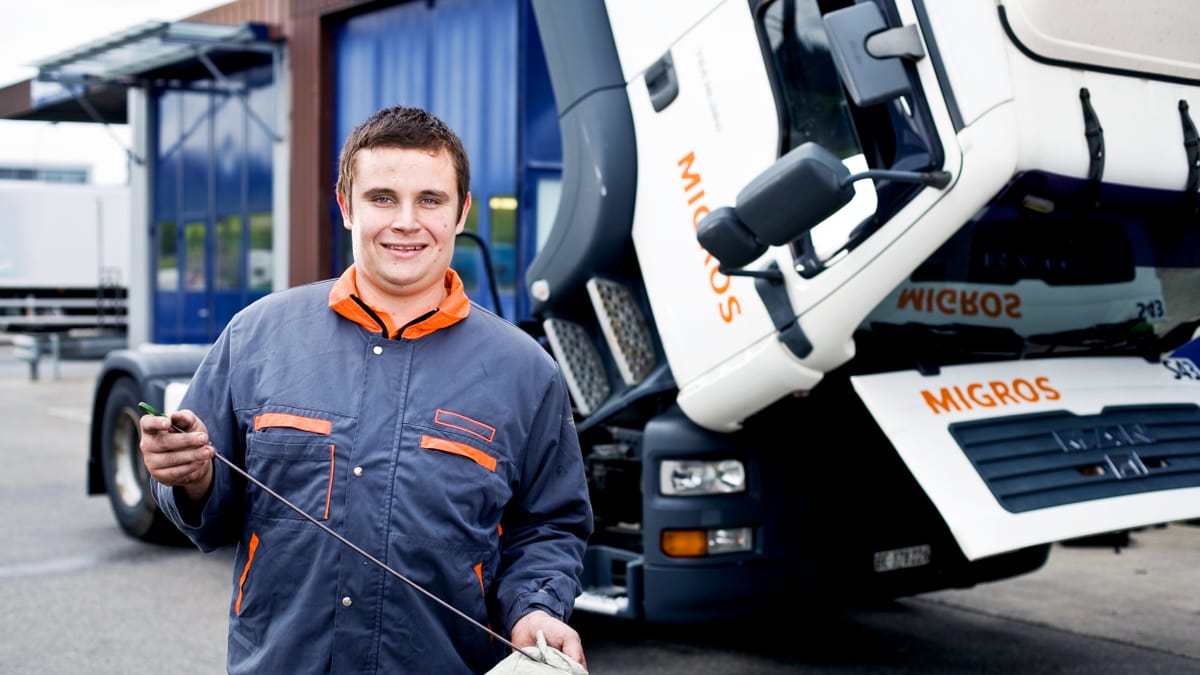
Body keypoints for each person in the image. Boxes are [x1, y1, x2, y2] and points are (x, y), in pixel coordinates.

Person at [140, 104, 593, 674]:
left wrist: (536, 608)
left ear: (461, 213)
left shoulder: (525, 371)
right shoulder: (258, 335)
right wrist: (190, 477)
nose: (406, 221)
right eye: (382, 198)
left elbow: (550, 524)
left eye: (430, 200)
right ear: (346, 206)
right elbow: (207, 505)